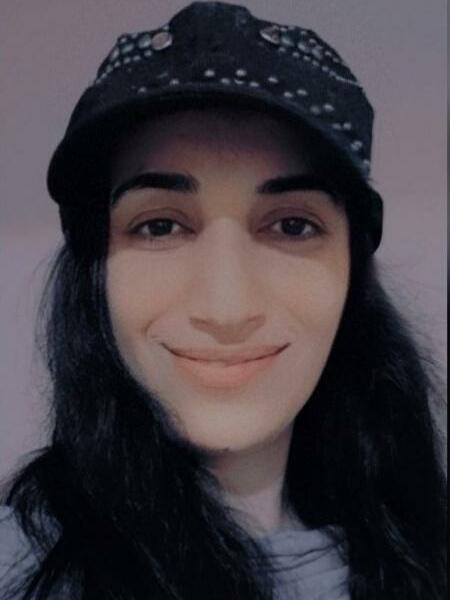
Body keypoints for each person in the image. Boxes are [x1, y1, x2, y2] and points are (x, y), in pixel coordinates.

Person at [0, 2, 446, 599]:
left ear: (351, 270)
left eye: (291, 226)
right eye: (160, 226)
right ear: (96, 272)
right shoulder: (19, 569)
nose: (227, 309)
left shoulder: (424, 552)